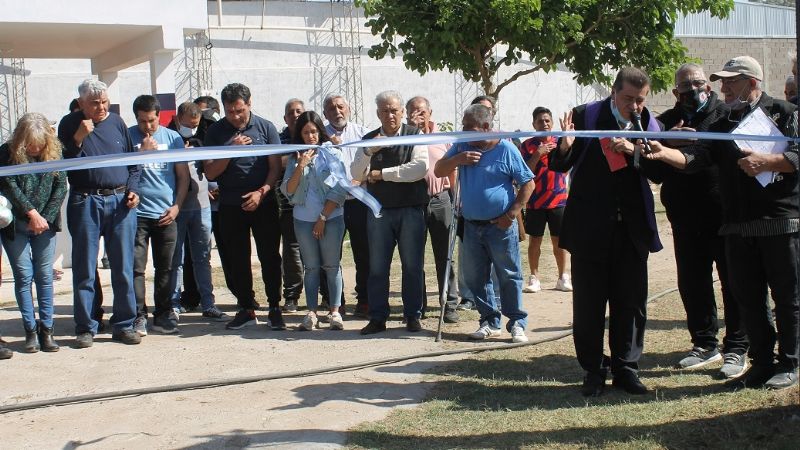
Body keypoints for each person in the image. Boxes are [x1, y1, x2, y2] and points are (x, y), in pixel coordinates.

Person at [648, 56, 799, 390]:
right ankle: (761, 363)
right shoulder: (723, 123)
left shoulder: (786, 114)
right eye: (722, 81)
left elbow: (797, 157)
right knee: (749, 298)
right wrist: (661, 151)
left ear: (753, 82)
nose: (723, 87)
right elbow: (695, 160)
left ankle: (789, 362)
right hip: (737, 226)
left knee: (787, 298)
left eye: (731, 81)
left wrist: (770, 161)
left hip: (779, 222)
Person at [550, 67, 663, 396]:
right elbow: (560, 165)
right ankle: (594, 371)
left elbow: (657, 172)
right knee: (588, 304)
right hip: (589, 228)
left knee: (630, 303)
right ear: (614, 92)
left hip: (631, 230)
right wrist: (564, 147)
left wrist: (634, 149)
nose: (634, 105)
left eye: (640, 99)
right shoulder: (586, 116)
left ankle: (626, 368)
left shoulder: (647, 123)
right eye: (628, 98)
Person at [651, 63, 747, 378]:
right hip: (684, 215)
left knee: (734, 282)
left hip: (724, 213)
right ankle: (704, 344)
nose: (692, 89)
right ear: (675, 92)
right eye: (685, 85)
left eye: (698, 82)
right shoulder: (665, 122)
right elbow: (653, 171)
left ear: (708, 85)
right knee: (693, 282)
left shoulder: (726, 115)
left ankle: (737, 346)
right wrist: (666, 142)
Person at [434, 104, 533, 343]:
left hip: (500, 226)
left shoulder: (507, 149)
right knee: (476, 278)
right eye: (464, 126)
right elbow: (438, 170)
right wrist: (457, 159)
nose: (464, 131)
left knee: (509, 275)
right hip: (471, 225)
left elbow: (528, 183)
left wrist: (511, 214)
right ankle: (489, 321)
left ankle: (517, 322)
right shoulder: (462, 146)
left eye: (469, 127)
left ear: (486, 128)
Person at [58, 79, 142, 347]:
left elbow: (133, 163)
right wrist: (79, 138)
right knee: (84, 267)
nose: (101, 107)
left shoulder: (117, 122)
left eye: (104, 101)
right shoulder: (69, 124)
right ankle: (86, 325)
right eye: (94, 103)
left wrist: (133, 189)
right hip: (85, 201)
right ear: (81, 103)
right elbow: (63, 163)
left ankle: (125, 324)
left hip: (119, 201)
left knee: (123, 266)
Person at [204, 83, 285, 331]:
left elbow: (275, 167)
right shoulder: (216, 132)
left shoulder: (266, 127)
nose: (236, 116)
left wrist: (262, 192)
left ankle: (274, 307)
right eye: (230, 111)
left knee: (270, 256)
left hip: (264, 202)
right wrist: (230, 150)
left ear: (249, 104)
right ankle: (246, 307)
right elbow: (209, 171)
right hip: (230, 204)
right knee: (236, 259)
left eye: (240, 110)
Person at [351, 90, 428, 334]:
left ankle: (413, 315)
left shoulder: (415, 135)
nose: (390, 114)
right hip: (379, 213)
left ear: (403, 112)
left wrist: (381, 174)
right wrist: (367, 153)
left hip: (411, 210)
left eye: (394, 110)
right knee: (377, 268)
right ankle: (377, 318)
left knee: (413, 266)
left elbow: (419, 169)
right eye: (385, 110)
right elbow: (355, 174)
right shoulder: (369, 140)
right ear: (378, 113)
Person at [0, 112, 68, 352]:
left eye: (39, 146)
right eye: (30, 145)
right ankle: (30, 329)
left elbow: (61, 187)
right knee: (23, 276)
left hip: (45, 226)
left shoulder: (56, 153)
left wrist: (44, 218)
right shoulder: (6, 153)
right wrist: (32, 214)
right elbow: (9, 186)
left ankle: (47, 330)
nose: (35, 149)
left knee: (44, 277)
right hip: (16, 226)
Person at [281, 111, 348, 330]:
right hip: (302, 220)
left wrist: (322, 217)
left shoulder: (332, 154)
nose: (311, 136)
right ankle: (311, 312)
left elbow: (339, 189)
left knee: (331, 265)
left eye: (314, 131)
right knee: (311, 268)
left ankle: (335, 312)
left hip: (331, 218)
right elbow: (288, 191)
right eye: (306, 132)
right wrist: (301, 166)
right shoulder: (295, 156)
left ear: (321, 132)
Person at [129, 95, 189, 335]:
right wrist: (141, 155)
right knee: (136, 268)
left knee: (166, 267)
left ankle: (163, 313)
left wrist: (177, 207)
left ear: (159, 117)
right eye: (143, 121)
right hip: (136, 215)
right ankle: (138, 315)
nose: (148, 126)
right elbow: (122, 171)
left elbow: (183, 177)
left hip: (166, 213)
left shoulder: (172, 138)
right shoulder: (127, 136)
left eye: (152, 120)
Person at [167, 101, 229, 322]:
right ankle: (173, 304)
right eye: (187, 126)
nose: (191, 130)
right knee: (176, 259)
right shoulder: (168, 139)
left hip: (202, 206)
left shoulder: (204, 136)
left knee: (203, 257)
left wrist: (212, 186)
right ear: (177, 120)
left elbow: (211, 169)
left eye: (195, 125)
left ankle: (209, 303)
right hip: (177, 207)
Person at [406, 95, 459, 323]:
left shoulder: (443, 137)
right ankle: (418, 307)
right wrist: (410, 130)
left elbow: (453, 168)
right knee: (414, 257)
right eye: (412, 111)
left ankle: (449, 304)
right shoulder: (405, 138)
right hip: (414, 201)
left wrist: (456, 198)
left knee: (444, 255)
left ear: (430, 112)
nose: (418, 115)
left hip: (441, 199)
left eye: (421, 111)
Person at [323, 94, 370, 317]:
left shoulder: (362, 133)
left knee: (363, 252)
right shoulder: (319, 135)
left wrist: (361, 178)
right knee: (332, 255)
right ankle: (336, 302)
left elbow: (371, 161)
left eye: (340, 107)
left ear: (348, 109)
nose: (337, 112)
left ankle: (364, 300)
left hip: (359, 201)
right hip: (332, 204)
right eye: (331, 109)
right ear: (325, 114)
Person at [519, 106, 572, 293]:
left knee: (559, 242)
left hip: (558, 200)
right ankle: (534, 277)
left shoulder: (560, 142)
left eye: (547, 120)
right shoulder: (526, 146)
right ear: (534, 124)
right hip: (535, 202)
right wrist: (537, 154)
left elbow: (567, 162)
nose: (545, 123)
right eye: (540, 121)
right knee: (535, 241)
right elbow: (524, 173)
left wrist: (566, 139)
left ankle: (563, 277)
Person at [278, 98, 306, 313]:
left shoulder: (315, 136)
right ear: (285, 118)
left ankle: (328, 297)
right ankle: (291, 296)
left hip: (317, 205)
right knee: (292, 252)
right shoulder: (279, 140)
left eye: (299, 111)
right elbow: (274, 162)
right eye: (291, 112)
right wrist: (294, 160)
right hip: (289, 206)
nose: (295, 115)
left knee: (323, 255)